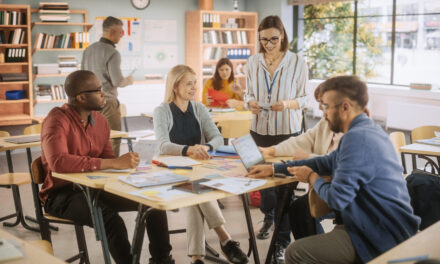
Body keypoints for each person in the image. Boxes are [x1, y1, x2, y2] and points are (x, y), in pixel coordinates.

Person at [248, 75, 420, 263]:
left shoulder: (357, 139)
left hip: (378, 233)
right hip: (369, 221)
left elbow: (337, 198)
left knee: (295, 252)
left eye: (326, 107)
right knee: (302, 213)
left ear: (345, 107)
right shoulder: (366, 131)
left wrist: (312, 178)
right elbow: (324, 162)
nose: (323, 113)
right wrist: (274, 168)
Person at [39, 70, 174, 264]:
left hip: (94, 189)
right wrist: (113, 163)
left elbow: (109, 161)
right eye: (98, 90)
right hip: (61, 195)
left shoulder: (101, 121)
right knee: (110, 220)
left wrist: (129, 165)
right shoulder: (56, 119)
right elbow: (58, 162)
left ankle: (162, 261)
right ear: (81, 97)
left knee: (153, 204)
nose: (104, 94)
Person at [153, 65, 248, 264]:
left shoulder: (199, 108)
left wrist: (204, 147)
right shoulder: (161, 110)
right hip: (169, 173)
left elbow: (217, 137)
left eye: (195, 83)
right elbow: (162, 145)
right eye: (189, 84)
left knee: (194, 193)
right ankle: (225, 238)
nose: (194, 88)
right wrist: (188, 149)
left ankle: (196, 257)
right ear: (175, 86)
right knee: (197, 189)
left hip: (197, 170)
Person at [245, 15, 308, 262]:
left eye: (274, 38)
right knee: (264, 186)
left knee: (284, 191)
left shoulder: (297, 62)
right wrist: (249, 102)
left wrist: (288, 103)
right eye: (264, 39)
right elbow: (247, 92)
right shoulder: (252, 61)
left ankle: (281, 243)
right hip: (258, 129)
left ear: (282, 35)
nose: (269, 44)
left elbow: (305, 98)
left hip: (287, 133)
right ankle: (269, 215)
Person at [259, 86, 344, 239]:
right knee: (299, 209)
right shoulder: (326, 122)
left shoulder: (353, 133)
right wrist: (271, 150)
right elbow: (303, 140)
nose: (319, 108)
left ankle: (311, 252)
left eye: (323, 104)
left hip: (343, 193)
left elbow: (332, 163)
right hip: (325, 187)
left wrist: (307, 157)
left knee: (302, 209)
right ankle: (312, 251)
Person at [81, 16, 134, 157]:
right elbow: (118, 82)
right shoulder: (112, 53)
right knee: (113, 139)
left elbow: (82, 76)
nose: (122, 35)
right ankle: (112, 171)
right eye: (120, 32)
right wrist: (129, 80)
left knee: (91, 139)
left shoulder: (88, 50)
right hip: (107, 102)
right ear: (111, 32)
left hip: (88, 104)